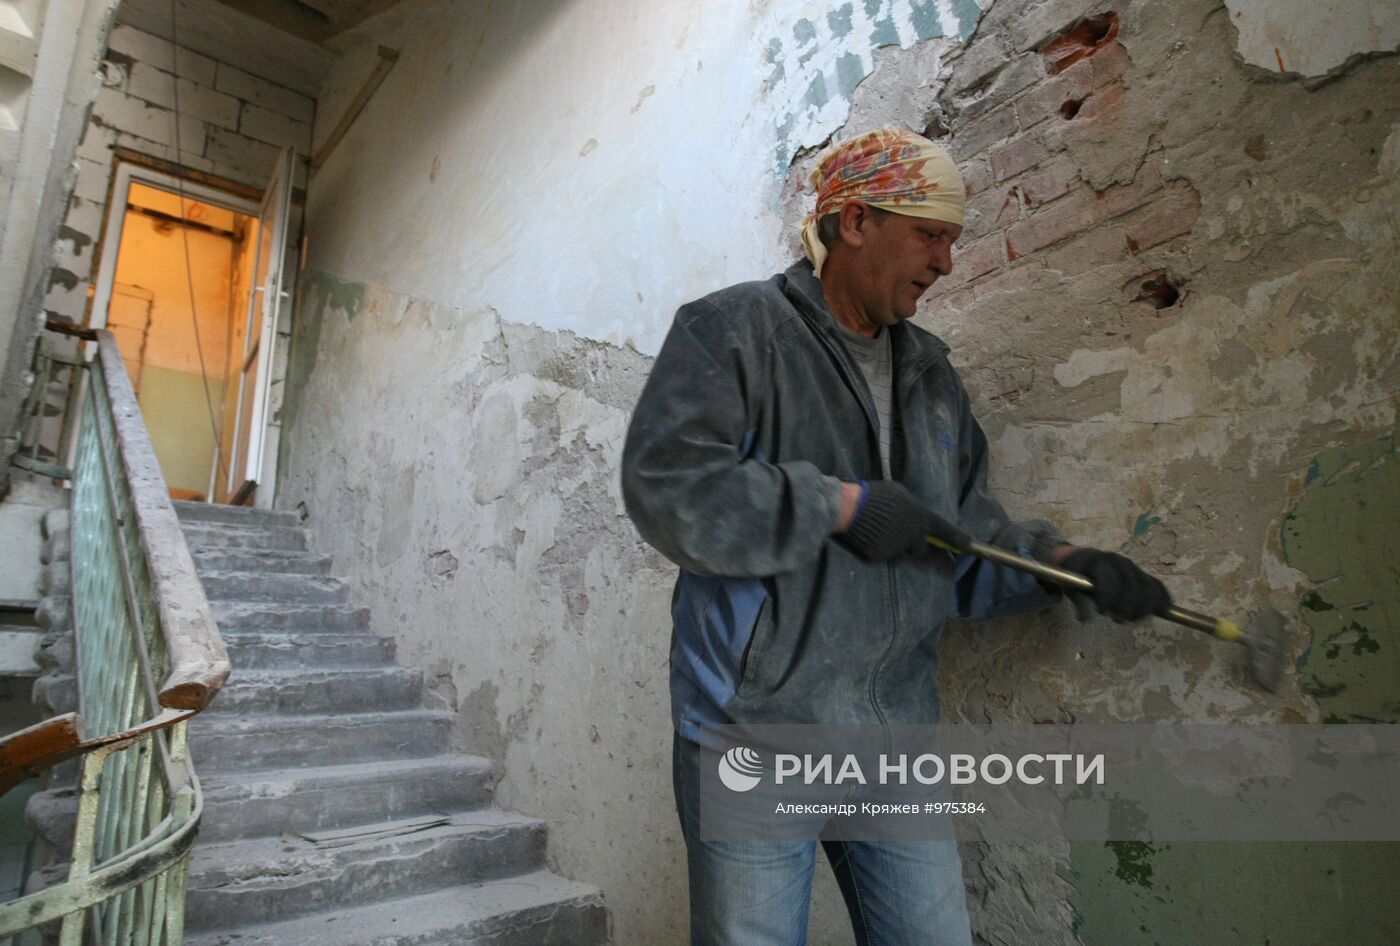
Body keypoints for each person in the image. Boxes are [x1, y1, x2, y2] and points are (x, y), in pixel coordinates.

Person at [620, 129, 1170, 946]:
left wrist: (1060, 564)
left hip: (893, 736)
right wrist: (839, 504)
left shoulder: (933, 377)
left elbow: (963, 541)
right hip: (758, 729)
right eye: (931, 235)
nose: (946, 263)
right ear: (853, 223)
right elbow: (669, 487)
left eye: (952, 240)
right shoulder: (733, 330)